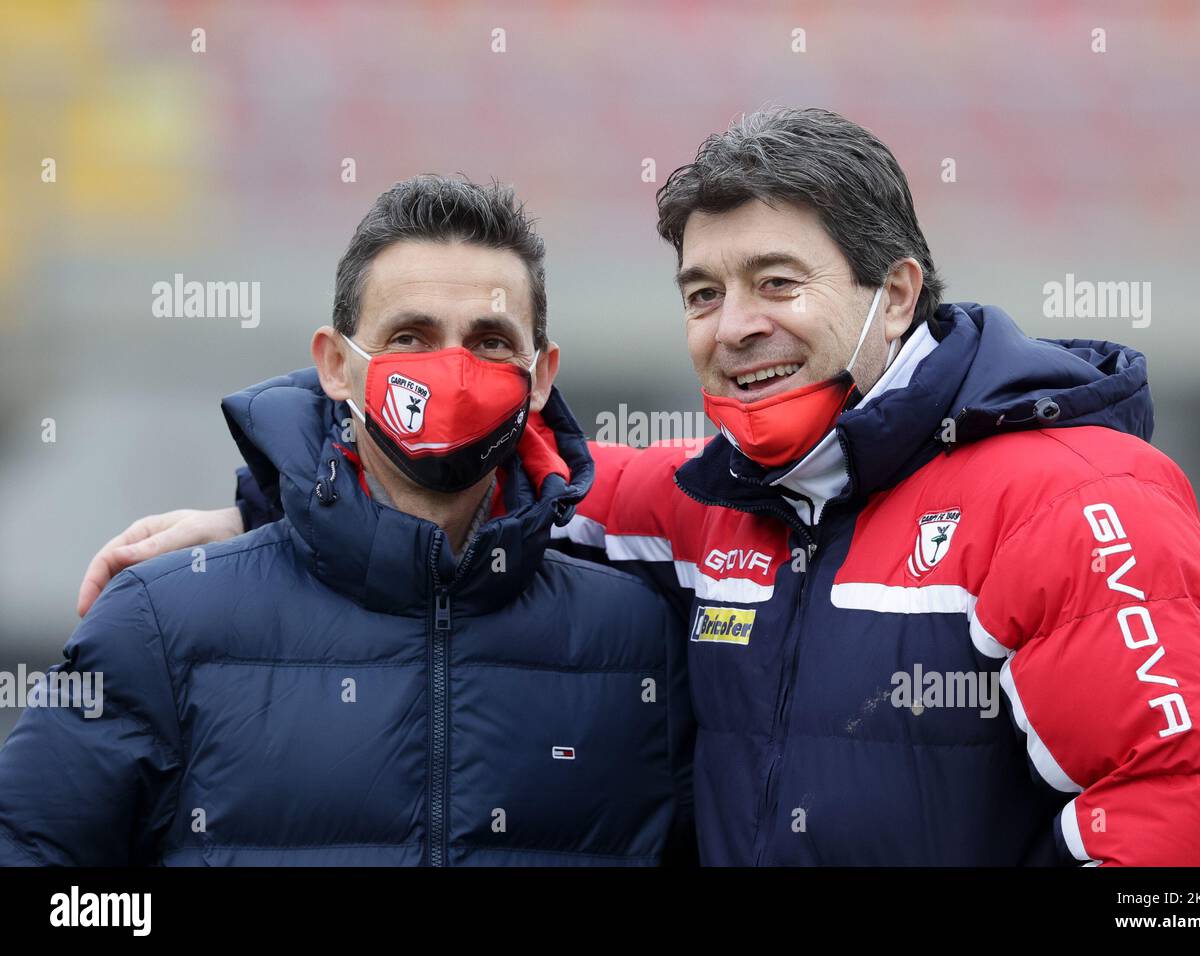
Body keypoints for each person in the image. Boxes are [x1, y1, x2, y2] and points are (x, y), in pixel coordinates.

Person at [74, 108, 1200, 866]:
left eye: (777, 282)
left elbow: (1186, 833)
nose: (736, 327)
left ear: (895, 293)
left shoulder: (1078, 495)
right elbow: (480, 476)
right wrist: (265, 507)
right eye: (702, 293)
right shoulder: (711, 499)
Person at [0, 175, 694, 866]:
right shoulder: (159, 622)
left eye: (487, 342)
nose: (449, 372)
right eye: (410, 337)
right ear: (335, 366)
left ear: (541, 378)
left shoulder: (639, 641)